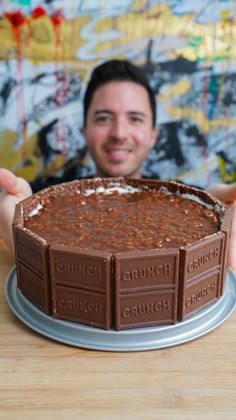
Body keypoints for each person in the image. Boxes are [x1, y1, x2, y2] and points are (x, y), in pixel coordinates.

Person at [0, 59, 235, 271]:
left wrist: (214, 215)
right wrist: (21, 220)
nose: (119, 133)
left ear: (153, 134)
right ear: (84, 131)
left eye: (135, 119)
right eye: (103, 118)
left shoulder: (190, 204)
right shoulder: (41, 201)